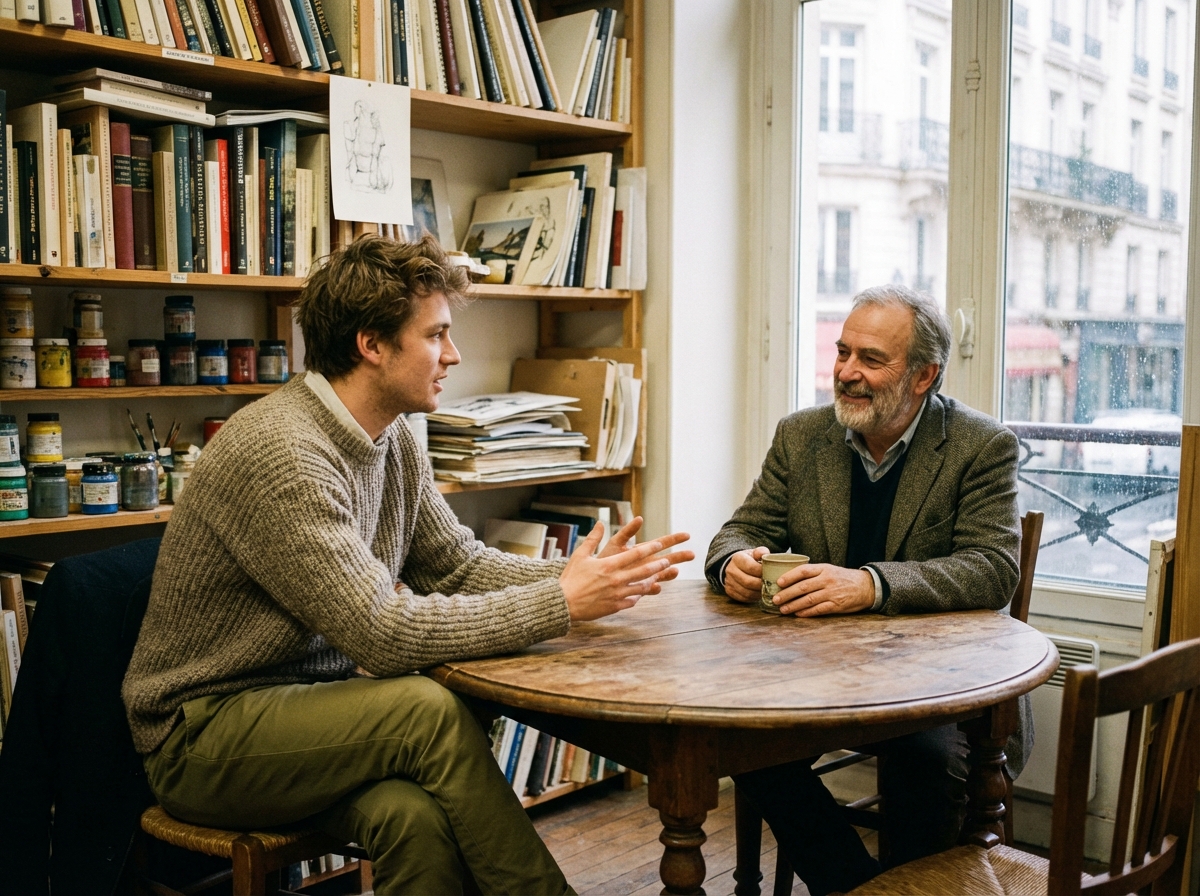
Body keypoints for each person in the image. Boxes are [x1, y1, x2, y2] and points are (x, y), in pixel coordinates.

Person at [122, 234, 693, 895]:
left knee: (414, 819)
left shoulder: (390, 436)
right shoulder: (283, 455)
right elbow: (381, 633)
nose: (454, 355)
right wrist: (561, 602)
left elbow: (454, 566)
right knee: (430, 710)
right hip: (202, 736)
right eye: (437, 335)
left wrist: (588, 580)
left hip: (305, 714)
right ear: (372, 344)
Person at [705, 285, 1028, 896]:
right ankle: (854, 886)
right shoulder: (802, 436)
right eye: (842, 351)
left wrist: (870, 585)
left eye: (871, 359)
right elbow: (741, 529)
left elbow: (992, 568)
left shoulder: (981, 446)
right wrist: (732, 564)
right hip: (821, 678)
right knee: (742, 746)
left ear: (923, 375)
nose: (847, 373)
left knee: (925, 764)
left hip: (945, 684)